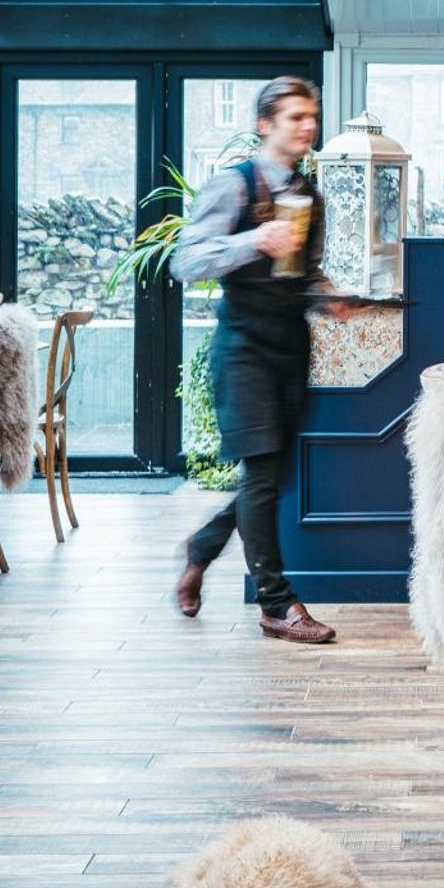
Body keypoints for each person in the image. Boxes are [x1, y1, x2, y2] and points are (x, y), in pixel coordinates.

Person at [172, 76, 361, 642]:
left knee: (269, 477)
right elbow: (188, 261)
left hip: (289, 346)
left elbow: (300, 274)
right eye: (296, 117)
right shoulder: (233, 187)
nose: (308, 126)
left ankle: (202, 548)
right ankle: (277, 605)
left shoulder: (309, 193)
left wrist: (329, 298)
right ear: (265, 125)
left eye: (312, 116)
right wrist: (253, 241)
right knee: (260, 474)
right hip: (243, 349)